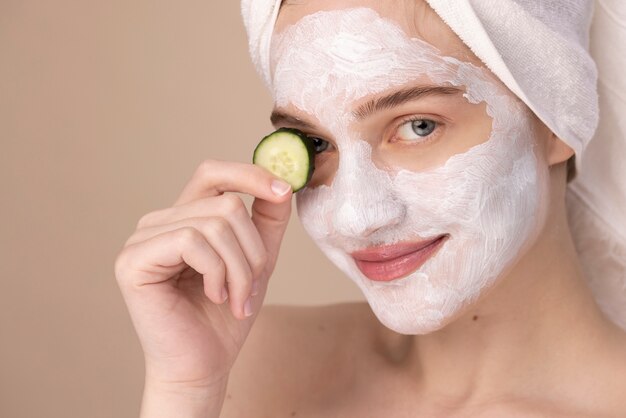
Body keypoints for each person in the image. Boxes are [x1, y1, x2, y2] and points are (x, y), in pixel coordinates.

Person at [114, 0, 626, 416]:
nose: (354, 216)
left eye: (418, 126)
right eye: (314, 144)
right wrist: (184, 391)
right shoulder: (249, 368)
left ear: (558, 114)